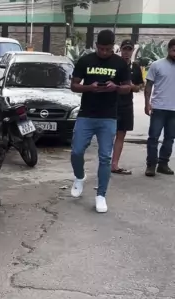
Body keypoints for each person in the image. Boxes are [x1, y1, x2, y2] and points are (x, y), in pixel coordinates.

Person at [70, 29, 131, 213]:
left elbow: (128, 87)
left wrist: (116, 87)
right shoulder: (85, 60)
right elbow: (74, 85)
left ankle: (101, 195)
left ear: (113, 47)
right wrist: (90, 87)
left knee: (105, 157)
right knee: (76, 151)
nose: (104, 52)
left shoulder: (120, 63)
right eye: (101, 48)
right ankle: (79, 177)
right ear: (96, 45)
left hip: (108, 116)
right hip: (86, 114)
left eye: (108, 49)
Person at [111, 39, 144, 175]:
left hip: (126, 105)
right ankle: (104, 161)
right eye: (124, 49)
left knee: (121, 134)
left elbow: (139, 87)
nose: (126, 52)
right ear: (121, 50)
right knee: (108, 133)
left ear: (132, 51)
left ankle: (114, 164)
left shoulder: (135, 67)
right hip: (111, 103)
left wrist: (131, 86)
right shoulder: (114, 64)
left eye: (129, 50)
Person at [144, 38, 175, 177]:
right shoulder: (157, 65)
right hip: (159, 108)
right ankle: (151, 165)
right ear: (168, 49)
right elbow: (149, 85)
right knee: (153, 137)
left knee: (170, 138)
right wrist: (147, 103)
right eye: (174, 50)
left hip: (174, 110)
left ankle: (163, 164)